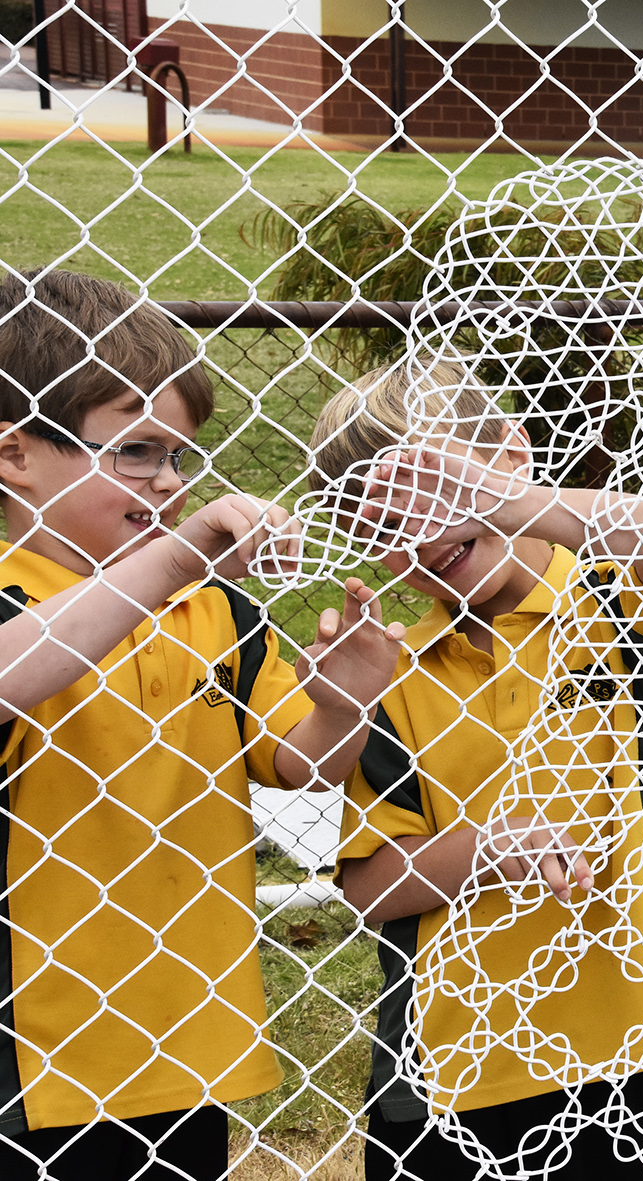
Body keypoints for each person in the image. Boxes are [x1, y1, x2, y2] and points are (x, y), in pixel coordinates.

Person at [0, 269, 406, 1179]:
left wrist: (345, 700)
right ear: (16, 454)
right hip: (32, 1055)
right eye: (137, 454)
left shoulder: (210, 608)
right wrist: (179, 554)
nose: (172, 482)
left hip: (181, 1040)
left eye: (182, 456)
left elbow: (302, 765)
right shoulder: (19, 597)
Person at [308, 355, 643, 1180]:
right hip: (442, 1065)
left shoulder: (611, 599)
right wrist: (494, 849)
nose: (422, 535)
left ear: (513, 453)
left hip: (606, 1044)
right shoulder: (389, 669)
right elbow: (371, 885)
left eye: (438, 494)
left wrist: (504, 502)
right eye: (385, 524)